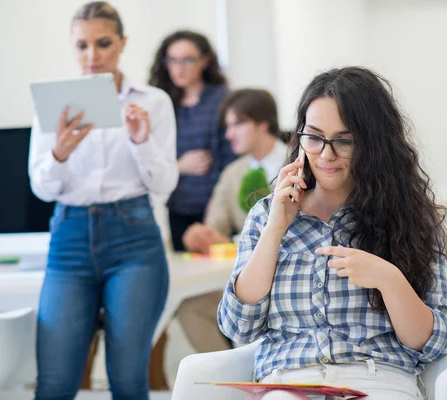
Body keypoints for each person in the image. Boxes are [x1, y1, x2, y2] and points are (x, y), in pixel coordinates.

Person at [217, 67, 447, 400]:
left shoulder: (409, 217)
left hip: (378, 378)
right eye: (313, 137)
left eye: (344, 141)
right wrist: (274, 231)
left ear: (374, 144)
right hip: (290, 380)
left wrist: (389, 280)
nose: (326, 155)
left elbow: (433, 344)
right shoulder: (266, 216)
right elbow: (238, 328)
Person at [28, 2, 177, 399]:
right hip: (69, 238)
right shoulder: (54, 103)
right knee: (55, 381)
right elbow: (42, 188)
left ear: (123, 43)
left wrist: (141, 140)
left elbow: (164, 183)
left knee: (127, 379)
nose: (92, 56)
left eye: (103, 43)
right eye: (81, 46)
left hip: (133, 238)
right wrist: (59, 151)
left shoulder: (153, 102)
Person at [178, 88, 287, 353]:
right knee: (190, 307)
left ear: (263, 123)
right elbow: (215, 228)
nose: (228, 135)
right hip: (247, 275)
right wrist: (201, 236)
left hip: (290, 274)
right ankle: (231, 384)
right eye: (227, 127)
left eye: (237, 124)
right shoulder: (232, 173)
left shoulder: (298, 161)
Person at [149, 30, 235, 251]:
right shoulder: (161, 103)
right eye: (172, 60)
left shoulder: (222, 99)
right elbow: (151, 157)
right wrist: (180, 166)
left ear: (204, 61)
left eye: (187, 59)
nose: (179, 68)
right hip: (178, 206)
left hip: (217, 206)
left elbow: (233, 156)